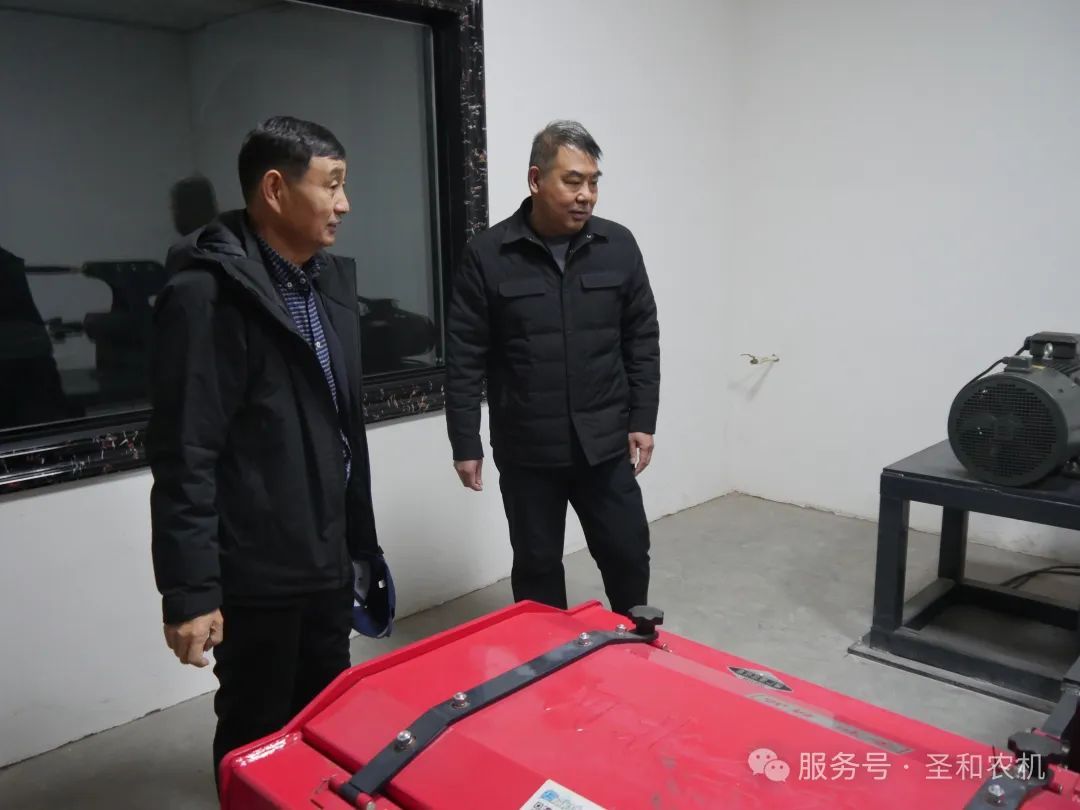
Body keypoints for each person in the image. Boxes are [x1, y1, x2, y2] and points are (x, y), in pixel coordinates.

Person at [146, 116, 385, 784]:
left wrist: (358, 543)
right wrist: (192, 592)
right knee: (256, 733)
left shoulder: (327, 282)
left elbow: (339, 427)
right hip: (258, 570)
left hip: (327, 555)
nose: (344, 204)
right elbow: (186, 451)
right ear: (275, 190)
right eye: (331, 185)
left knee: (326, 719)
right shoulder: (206, 296)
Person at [445, 120, 661, 617]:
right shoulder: (488, 256)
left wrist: (642, 419)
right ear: (536, 179)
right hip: (528, 449)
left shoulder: (618, 246)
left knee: (628, 552)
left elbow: (641, 338)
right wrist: (465, 441)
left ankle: (636, 643)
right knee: (537, 567)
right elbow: (464, 355)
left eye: (593, 182)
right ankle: (546, 658)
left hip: (603, 443)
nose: (586, 195)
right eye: (573, 181)